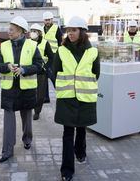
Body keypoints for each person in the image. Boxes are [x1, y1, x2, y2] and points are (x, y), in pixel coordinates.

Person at [53, 16, 100, 181]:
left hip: (85, 96)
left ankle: (80, 151)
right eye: (68, 30)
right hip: (67, 98)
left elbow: (96, 74)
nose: (70, 33)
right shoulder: (61, 50)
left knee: (81, 127)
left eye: (74, 30)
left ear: (82, 31)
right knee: (67, 132)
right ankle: (67, 170)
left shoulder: (93, 51)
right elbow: (55, 71)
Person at [0, 16, 43, 163]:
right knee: (8, 121)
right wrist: (7, 66)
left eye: (12, 30)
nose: (8, 32)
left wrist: (23, 70)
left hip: (26, 89)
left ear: (21, 31)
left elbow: (39, 65)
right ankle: (7, 150)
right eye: (9, 29)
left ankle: (27, 139)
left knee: (27, 118)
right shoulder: (4, 46)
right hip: (9, 89)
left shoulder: (32, 46)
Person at [29, 23, 54, 120]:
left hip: (41, 73)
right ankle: (28, 109)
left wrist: (46, 67)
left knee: (40, 95)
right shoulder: (27, 42)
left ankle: (37, 111)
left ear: (39, 33)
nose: (32, 33)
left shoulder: (45, 43)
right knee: (30, 93)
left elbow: (51, 57)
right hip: (30, 71)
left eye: (35, 31)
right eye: (31, 31)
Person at [42, 11, 62, 102]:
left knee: (53, 76)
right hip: (44, 57)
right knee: (44, 78)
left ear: (52, 20)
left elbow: (60, 42)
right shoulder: (42, 30)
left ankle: (60, 94)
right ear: (43, 21)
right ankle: (46, 98)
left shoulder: (56, 28)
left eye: (49, 20)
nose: (48, 21)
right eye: (46, 20)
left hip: (54, 56)